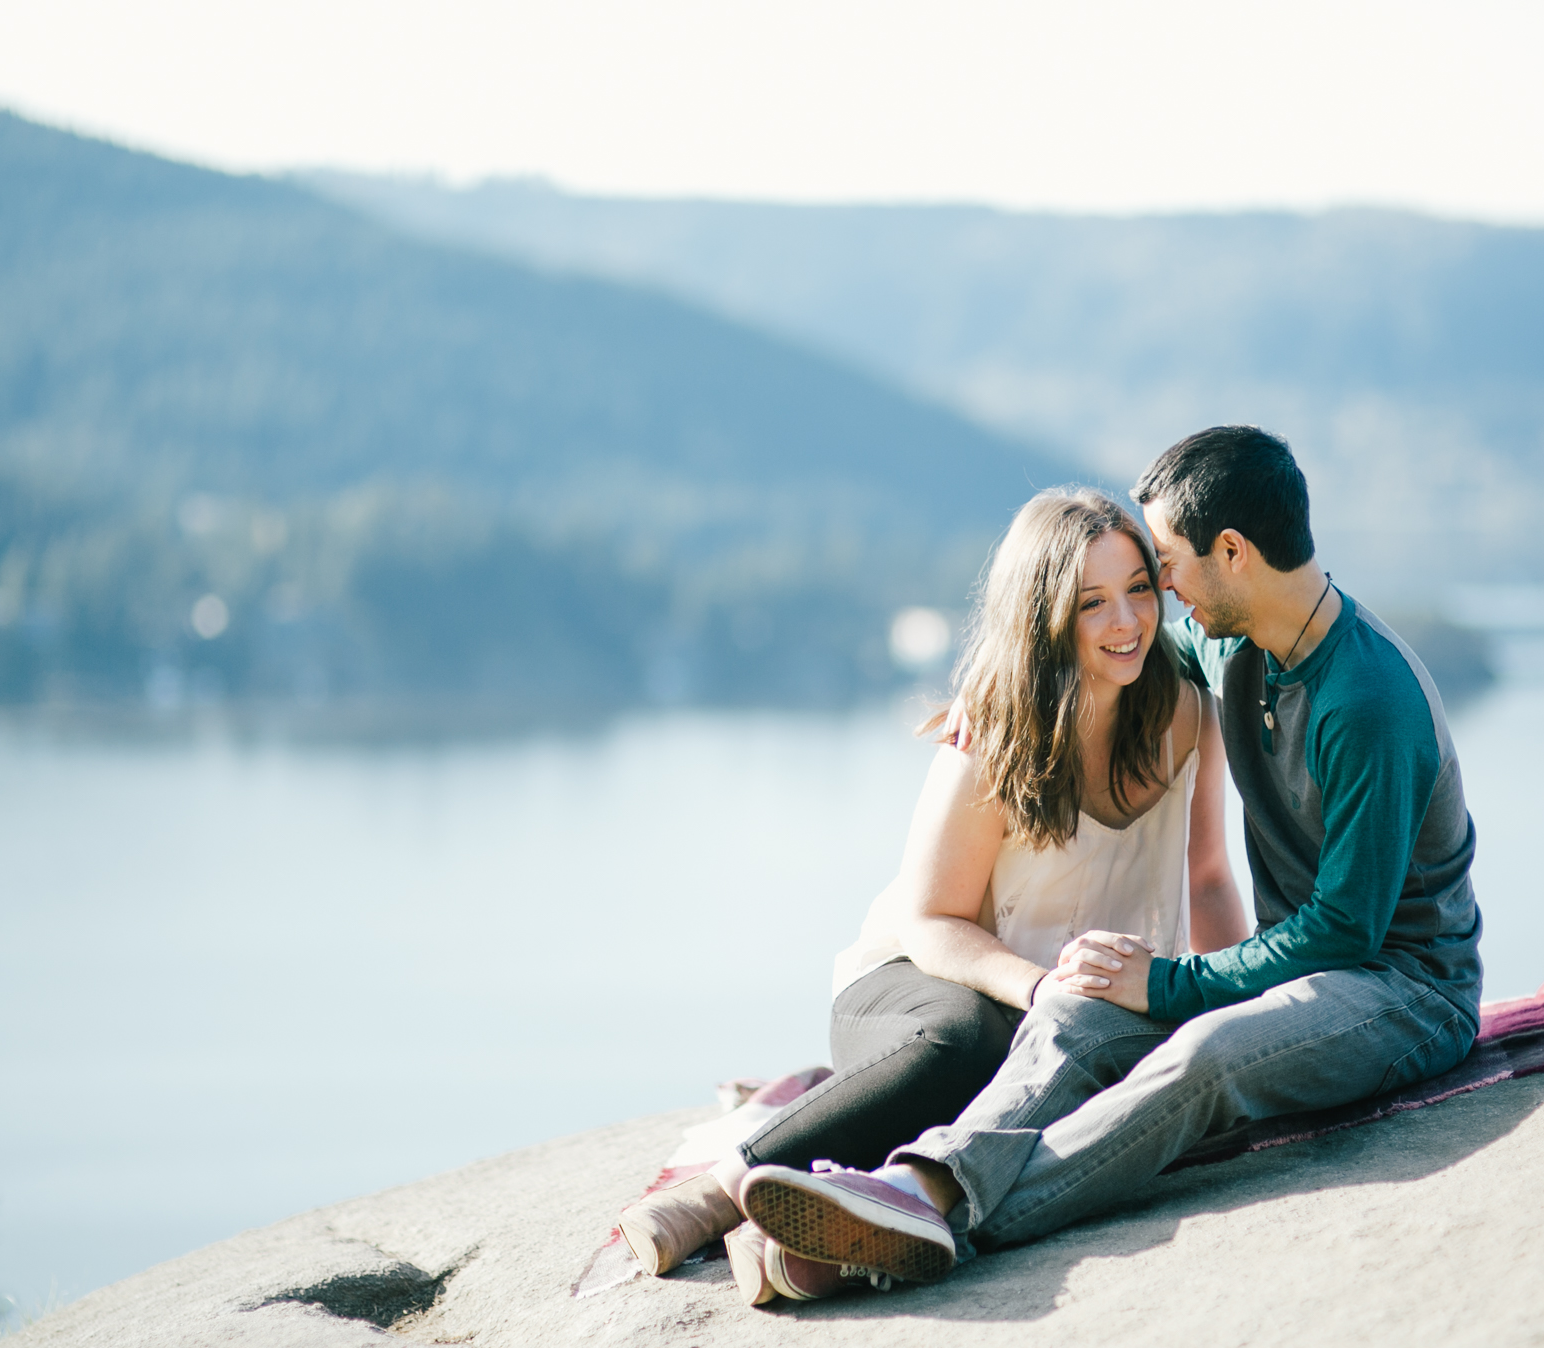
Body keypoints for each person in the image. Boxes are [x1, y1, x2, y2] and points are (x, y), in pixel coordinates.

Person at [736, 425, 1485, 1287]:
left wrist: (1169, 984)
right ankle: (910, 1185)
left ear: (1232, 552)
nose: (1162, 591)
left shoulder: (1367, 701)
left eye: (1166, 563)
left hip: (1401, 988)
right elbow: (1108, 640)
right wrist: (1003, 689)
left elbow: (1347, 931)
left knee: (1200, 1062)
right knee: (1076, 1007)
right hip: (1298, 973)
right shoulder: (1234, 645)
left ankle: (935, 1217)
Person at [616, 487, 1245, 1302]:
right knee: (972, 1040)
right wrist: (1037, 986)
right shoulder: (997, 730)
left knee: (1107, 1094)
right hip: (920, 987)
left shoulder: (1185, 713)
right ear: (1046, 614)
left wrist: (1227, 998)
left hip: (1065, 1013)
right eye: (1092, 602)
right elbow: (929, 920)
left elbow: (1207, 876)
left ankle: (792, 1246)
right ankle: (717, 1189)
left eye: (1137, 588)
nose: (1126, 620)